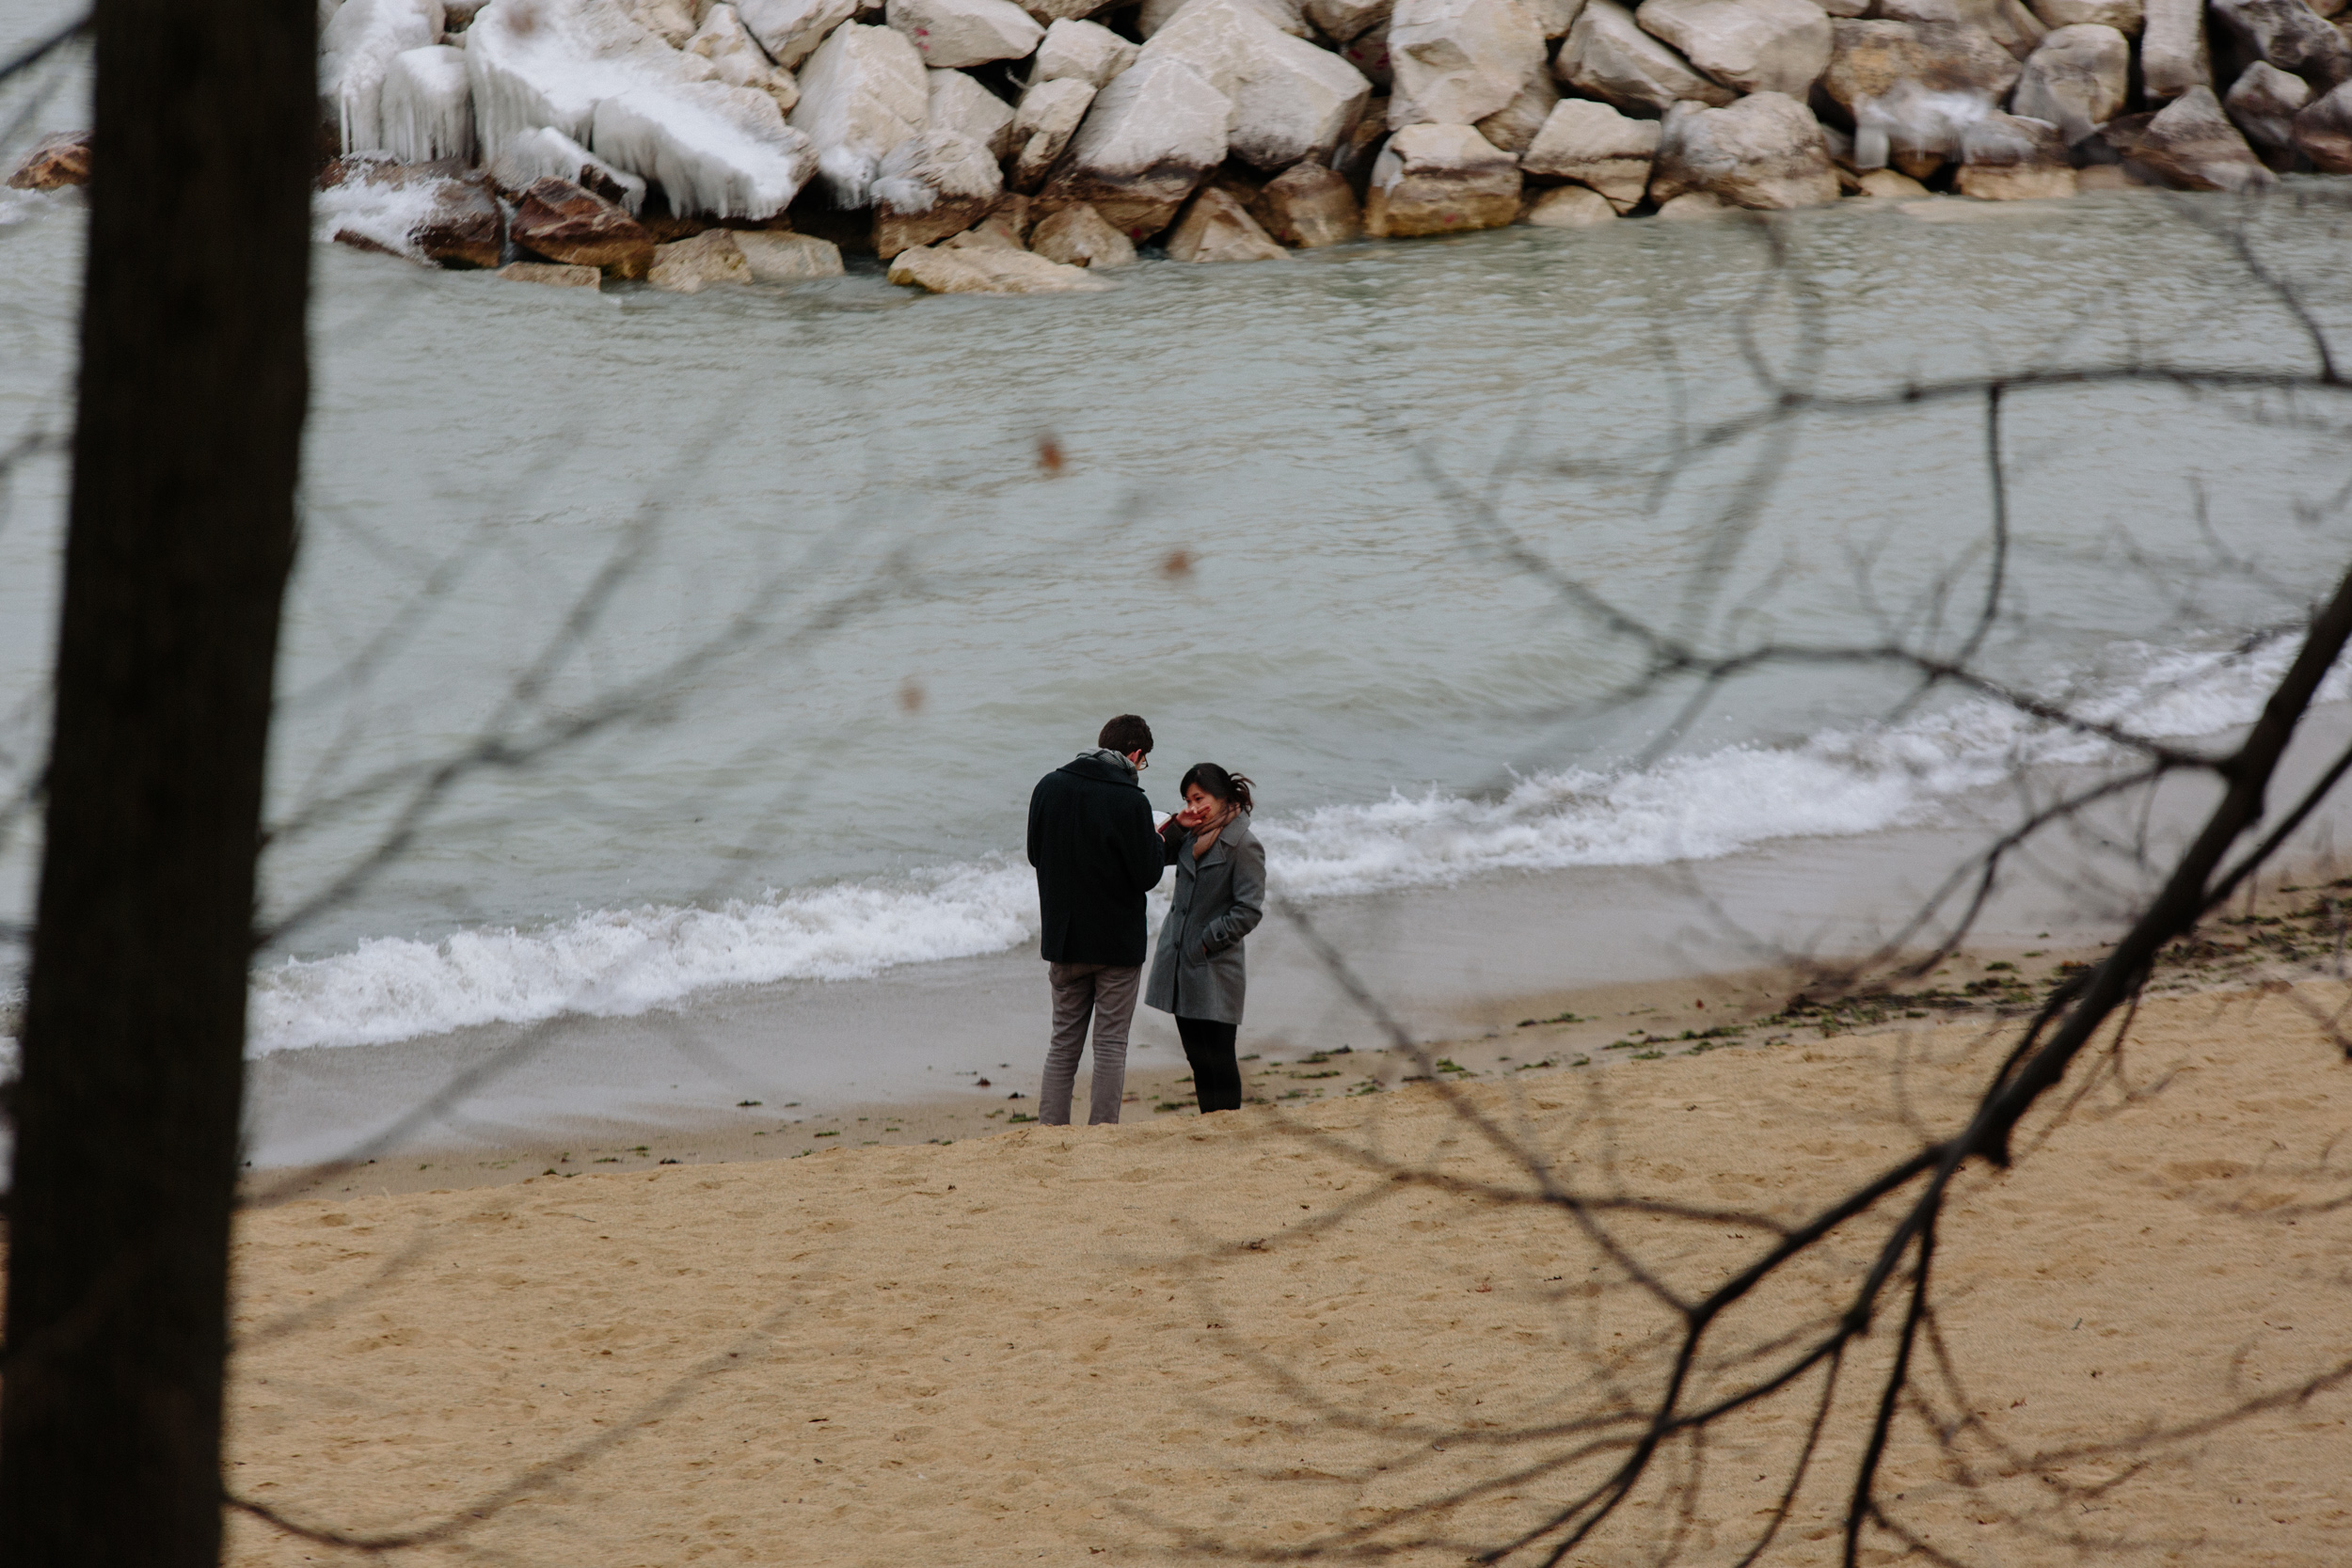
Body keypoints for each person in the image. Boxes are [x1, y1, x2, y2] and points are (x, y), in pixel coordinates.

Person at [1026, 714, 1167, 1125]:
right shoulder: (1132, 801)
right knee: (1109, 1044)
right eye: (1142, 763)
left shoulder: (1049, 786)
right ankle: (1102, 1134)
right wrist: (1157, 842)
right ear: (1136, 754)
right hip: (1116, 944)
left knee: (1063, 1044)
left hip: (1064, 937)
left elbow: (1037, 856)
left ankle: (1050, 1130)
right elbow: (1146, 876)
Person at [1144, 763, 1264, 1114]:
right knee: (1198, 1059)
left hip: (1215, 966)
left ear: (1222, 796)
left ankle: (1227, 1127)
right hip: (1181, 963)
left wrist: (1207, 941)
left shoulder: (1244, 845)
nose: (1193, 806)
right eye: (1187, 799)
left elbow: (1249, 910)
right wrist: (1178, 827)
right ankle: (1211, 1126)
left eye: (1199, 798)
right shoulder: (1192, 835)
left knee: (1220, 1059)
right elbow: (1156, 858)